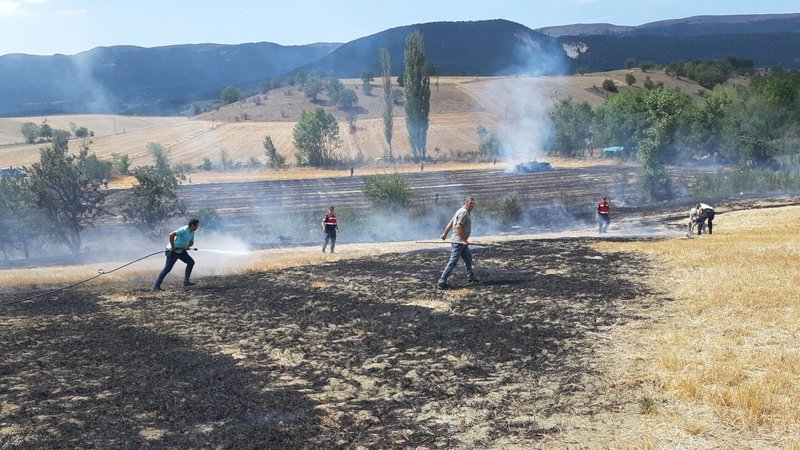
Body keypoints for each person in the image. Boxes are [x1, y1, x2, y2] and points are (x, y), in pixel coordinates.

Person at [437, 196, 478, 289]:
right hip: (459, 242)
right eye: (470, 203)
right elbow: (458, 226)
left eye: (473, 204)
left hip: (460, 242)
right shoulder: (463, 212)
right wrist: (464, 240)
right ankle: (441, 282)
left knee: (468, 258)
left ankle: (471, 277)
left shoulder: (460, 211)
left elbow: (451, 223)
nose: (472, 205)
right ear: (465, 203)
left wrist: (445, 234)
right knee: (453, 262)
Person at [153, 218, 200, 291]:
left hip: (181, 251)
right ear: (192, 225)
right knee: (167, 269)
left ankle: (186, 281)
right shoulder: (183, 230)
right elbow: (171, 235)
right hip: (172, 252)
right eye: (196, 225)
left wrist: (188, 246)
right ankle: (156, 286)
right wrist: (172, 247)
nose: (197, 227)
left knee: (191, 262)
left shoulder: (192, 232)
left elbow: (191, 242)